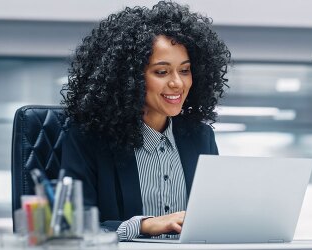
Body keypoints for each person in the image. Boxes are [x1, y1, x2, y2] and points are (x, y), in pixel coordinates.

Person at [60, 1, 230, 241]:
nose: (177, 83)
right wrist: (143, 225)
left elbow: (215, 217)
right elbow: (71, 226)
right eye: (161, 72)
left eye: (184, 70)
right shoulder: (87, 138)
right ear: (128, 77)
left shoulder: (201, 137)